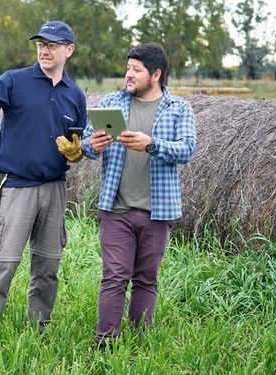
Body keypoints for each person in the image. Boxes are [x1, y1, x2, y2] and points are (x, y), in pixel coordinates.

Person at [0, 20, 87, 336]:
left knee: (48, 267)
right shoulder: (14, 81)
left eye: (52, 44)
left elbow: (77, 147)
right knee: (2, 263)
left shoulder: (75, 95)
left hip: (54, 189)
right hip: (15, 187)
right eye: (40, 43)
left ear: (69, 50)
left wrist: (77, 152)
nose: (44, 49)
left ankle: (40, 328)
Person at [79, 43, 196, 347]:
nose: (128, 74)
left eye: (136, 69)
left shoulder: (178, 108)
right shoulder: (111, 103)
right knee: (115, 276)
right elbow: (86, 148)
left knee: (146, 278)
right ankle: (105, 341)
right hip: (115, 208)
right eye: (128, 67)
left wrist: (151, 144)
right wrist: (95, 144)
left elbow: (187, 150)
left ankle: (140, 338)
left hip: (158, 211)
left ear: (155, 74)